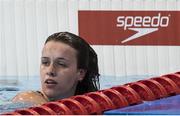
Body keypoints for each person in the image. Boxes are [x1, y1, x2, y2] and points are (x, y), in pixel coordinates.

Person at [12, 32, 100, 106]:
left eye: (61, 64)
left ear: (80, 73)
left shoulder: (91, 104)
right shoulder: (26, 100)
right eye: (45, 62)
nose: (50, 71)